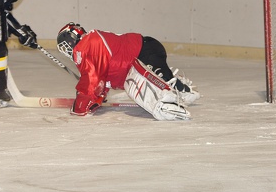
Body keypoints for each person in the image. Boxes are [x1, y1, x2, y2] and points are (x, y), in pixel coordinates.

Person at [56, 23, 200, 121]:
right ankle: (182, 89)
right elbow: (101, 79)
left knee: (140, 90)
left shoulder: (87, 45)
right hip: (146, 49)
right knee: (133, 84)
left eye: (64, 46)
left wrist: (80, 106)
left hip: (143, 55)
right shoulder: (91, 43)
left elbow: (92, 80)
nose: (66, 51)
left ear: (70, 40)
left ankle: (168, 100)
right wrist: (99, 97)